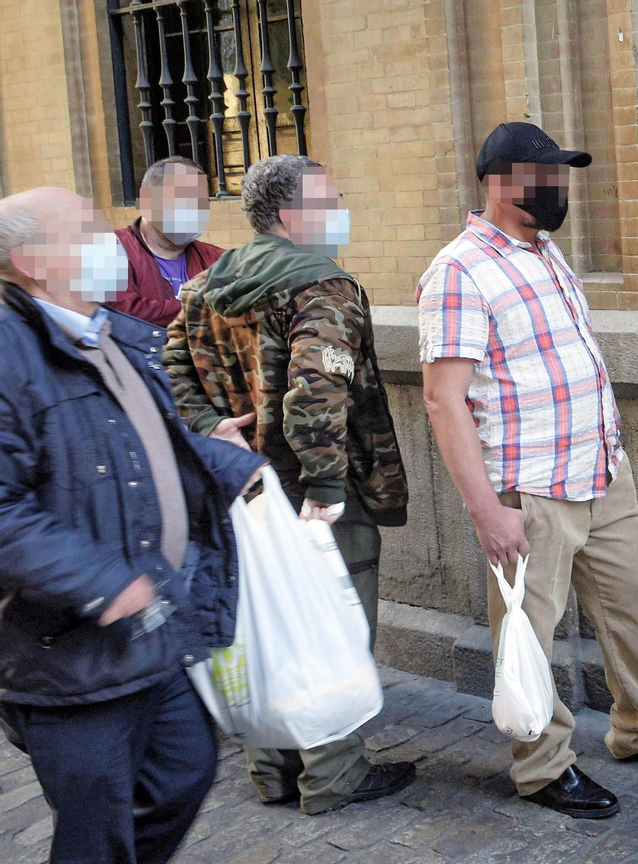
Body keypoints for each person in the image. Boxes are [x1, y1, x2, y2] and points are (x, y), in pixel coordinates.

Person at [418, 122, 638, 821]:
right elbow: (441, 398)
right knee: (528, 633)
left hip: (600, 472)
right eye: (544, 173)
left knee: (631, 605)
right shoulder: (460, 270)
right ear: (499, 181)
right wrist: (486, 512)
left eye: (561, 173)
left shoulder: (548, 254)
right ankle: (544, 766)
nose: (559, 186)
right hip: (528, 489)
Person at [0, 187, 265, 862]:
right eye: (88, 230)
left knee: (184, 772)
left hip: (151, 625)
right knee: (98, 821)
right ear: (33, 260)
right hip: (69, 651)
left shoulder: (110, 333)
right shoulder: (10, 353)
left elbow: (140, 440)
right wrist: (102, 583)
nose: (109, 242)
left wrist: (225, 461)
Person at [163, 154, 417, 815]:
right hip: (316, 495)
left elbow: (169, 365)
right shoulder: (320, 287)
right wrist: (328, 485)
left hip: (243, 491)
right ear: (290, 215)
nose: (340, 209)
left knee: (267, 623)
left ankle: (272, 769)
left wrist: (209, 424)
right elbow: (316, 390)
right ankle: (333, 776)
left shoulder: (207, 283)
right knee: (333, 627)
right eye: (329, 199)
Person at [111, 156, 224, 326]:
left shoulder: (217, 259)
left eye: (202, 201)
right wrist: (205, 308)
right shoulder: (111, 250)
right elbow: (124, 314)